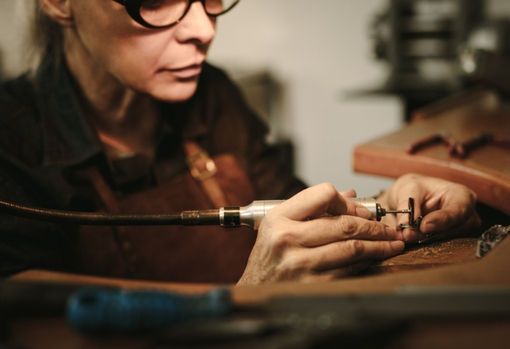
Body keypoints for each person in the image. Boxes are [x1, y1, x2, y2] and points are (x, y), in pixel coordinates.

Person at [0, 0, 480, 284]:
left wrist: (383, 208)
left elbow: (300, 216)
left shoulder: (213, 96)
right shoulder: (12, 144)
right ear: (59, 3)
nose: (203, 30)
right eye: (155, 0)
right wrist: (250, 294)